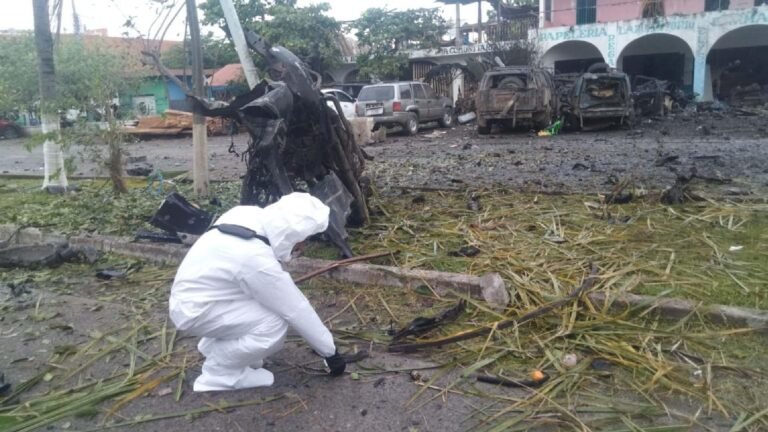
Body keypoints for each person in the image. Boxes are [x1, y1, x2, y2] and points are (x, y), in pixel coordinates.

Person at [169, 193, 346, 392]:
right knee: (273, 324)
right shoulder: (255, 259)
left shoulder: (246, 214)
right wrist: (330, 353)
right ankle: (220, 373)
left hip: (198, 298)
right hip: (196, 311)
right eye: (302, 239)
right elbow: (295, 308)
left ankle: (218, 350)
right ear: (290, 234)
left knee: (263, 307)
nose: (303, 246)